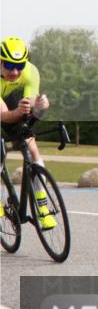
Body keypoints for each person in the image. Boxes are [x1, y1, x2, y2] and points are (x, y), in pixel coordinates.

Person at [1, 36, 55, 229]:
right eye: (8, 65)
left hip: (12, 107)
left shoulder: (31, 72)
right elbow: (4, 116)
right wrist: (19, 111)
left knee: (32, 149)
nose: (15, 71)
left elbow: (30, 113)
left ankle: (42, 208)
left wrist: (41, 108)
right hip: (2, 111)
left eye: (19, 65)